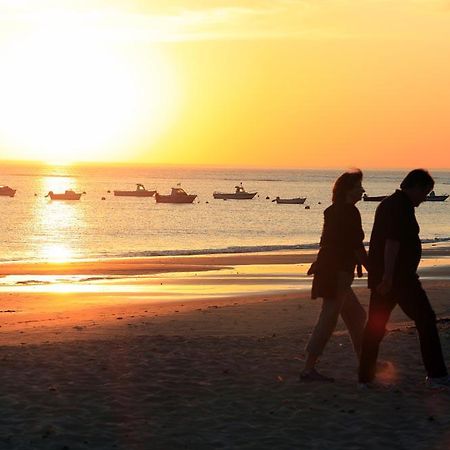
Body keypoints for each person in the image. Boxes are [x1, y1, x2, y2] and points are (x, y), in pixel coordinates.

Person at [359, 169, 449, 388]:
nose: (425, 198)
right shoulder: (400, 206)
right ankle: (436, 375)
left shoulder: (393, 204)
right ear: (415, 187)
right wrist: (388, 277)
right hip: (399, 279)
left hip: (391, 277)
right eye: (425, 192)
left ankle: (365, 377)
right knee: (425, 319)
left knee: (375, 326)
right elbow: (392, 243)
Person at [301, 169, 369, 382]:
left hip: (331, 270)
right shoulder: (350, 212)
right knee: (328, 318)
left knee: (356, 316)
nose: (363, 190)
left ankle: (365, 364)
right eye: (358, 186)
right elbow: (356, 246)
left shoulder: (332, 211)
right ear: (348, 190)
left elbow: (328, 242)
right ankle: (308, 368)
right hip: (338, 273)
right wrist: (373, 269)